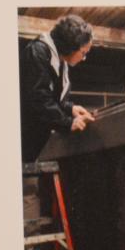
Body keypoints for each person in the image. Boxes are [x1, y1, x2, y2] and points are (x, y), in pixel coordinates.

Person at [18, 13, 96, 163]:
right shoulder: (37, 52)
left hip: (37, 138)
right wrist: (67, 123)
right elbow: (39, 100)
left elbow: (52, 97)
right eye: (84, 53)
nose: (84, 58)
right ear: (70, 47)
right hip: (24, 139)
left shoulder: (61, 60)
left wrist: (70, 108)